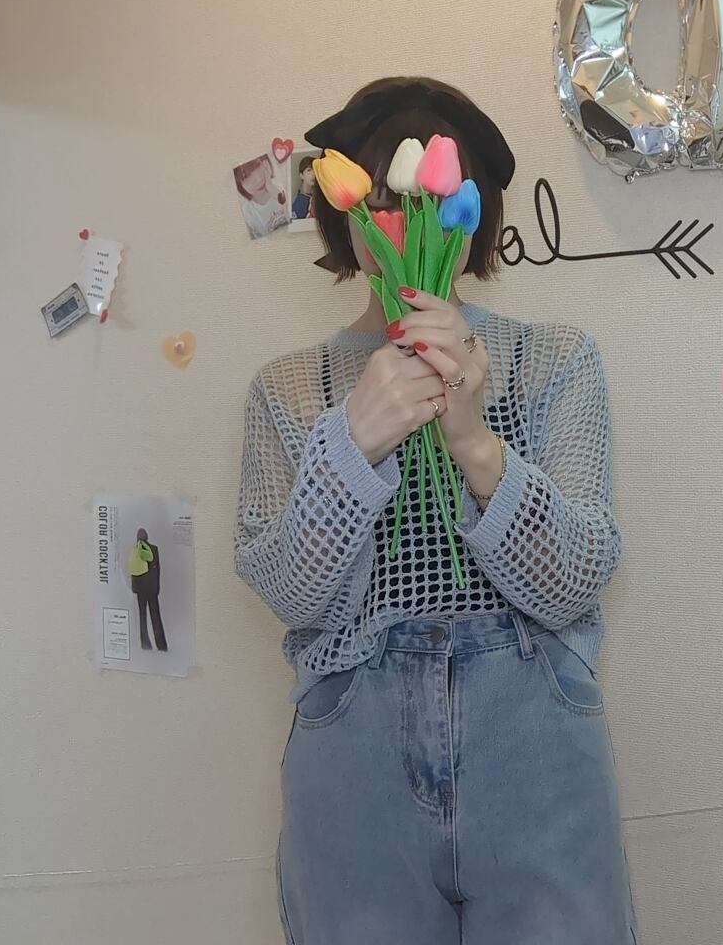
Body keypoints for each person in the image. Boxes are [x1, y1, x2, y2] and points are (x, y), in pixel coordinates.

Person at [234, 76, 637, 944]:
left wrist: (475, 439)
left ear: (472, 214)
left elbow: (574, 582)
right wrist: (354, 441)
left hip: (531, 750)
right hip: (354, 761)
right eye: (379, 198)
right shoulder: (288, 388)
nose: (402, 219)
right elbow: (292, 595)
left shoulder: (553, 360)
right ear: (341, 211)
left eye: (428, 198)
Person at [234, 153, 290, 238]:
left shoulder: (282, 186)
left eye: (258, 165)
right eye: (246, 176)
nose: (258, 179)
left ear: (266, 163)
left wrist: (275, 191)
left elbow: (296, 222)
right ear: (238, 183)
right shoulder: (247, 213)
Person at [130, 528, 168, 652]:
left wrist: (134, 588)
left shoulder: (135, 550)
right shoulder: (154, 549)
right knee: (155, 616)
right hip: (151, 589)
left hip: (141, 590)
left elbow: (133, 572)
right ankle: (161, 645)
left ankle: (145, 644)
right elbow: (157, 570)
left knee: (142, 616)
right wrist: (157, 587)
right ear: (147, 537)